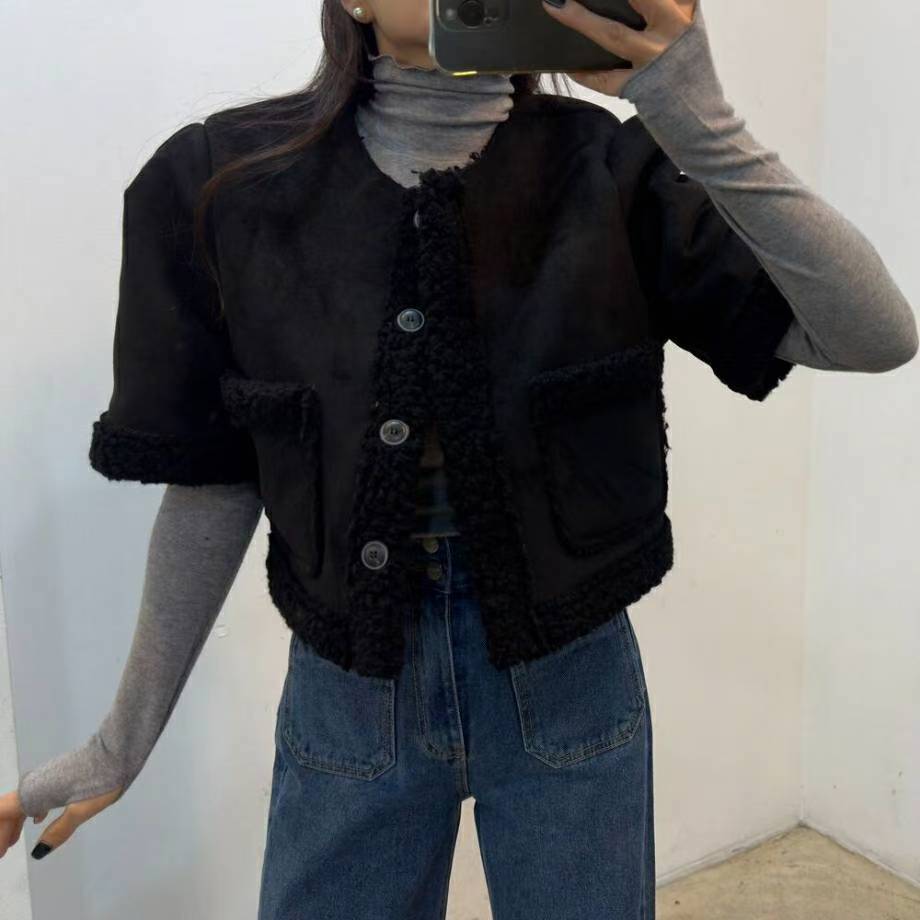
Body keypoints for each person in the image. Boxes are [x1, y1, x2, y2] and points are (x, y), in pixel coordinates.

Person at [2, 0, 916, 916]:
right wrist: (121, 740)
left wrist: (693, 109)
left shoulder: (610, 169)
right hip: (351, 699)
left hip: (570, 679)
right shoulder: (228, 183)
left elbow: (875, 334)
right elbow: (217, 478)